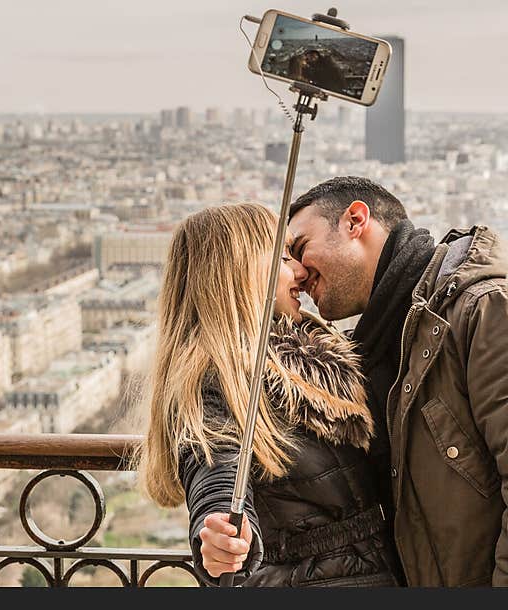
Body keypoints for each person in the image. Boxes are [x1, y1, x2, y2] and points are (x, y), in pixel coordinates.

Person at [136, 203, 400, 586]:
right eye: (282, 256)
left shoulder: (308, 360)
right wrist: (221, 536)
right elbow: (216, 472)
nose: (300, 270)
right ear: (238, 273)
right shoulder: (216, 383)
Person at [287, 176, 508, 586]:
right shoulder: (384, 342)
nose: (297, 274)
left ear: (355, 220)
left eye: (300, 248)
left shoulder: (480, 308)